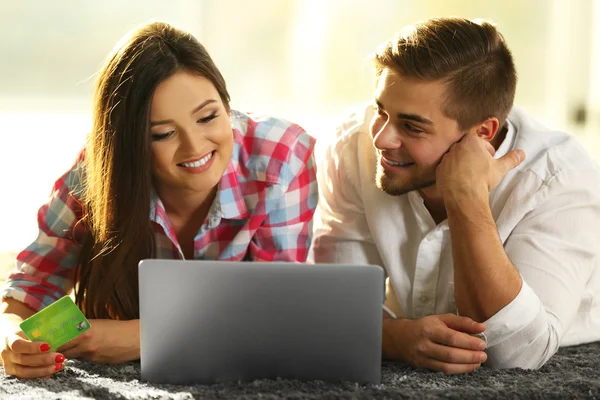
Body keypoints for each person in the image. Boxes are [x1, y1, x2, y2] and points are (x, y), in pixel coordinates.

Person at [0, 21, 318, 379]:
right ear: (128, 143)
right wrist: (12, 337)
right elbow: (31, 286)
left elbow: (277, 312)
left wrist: (145, 336)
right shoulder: (98, 169)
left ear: (227, 105)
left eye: (208, 117)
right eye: (164, 133)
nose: (196, 147)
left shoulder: (282, 156)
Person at [310, 17, 600, 374]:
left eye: (412, 126)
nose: (382, 138)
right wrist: (397, 338)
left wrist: (466, 196)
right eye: (381, 111)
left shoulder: (558, 177)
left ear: (482, 132)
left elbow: (517, 353)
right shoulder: (351, 146)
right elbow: (336, 308)